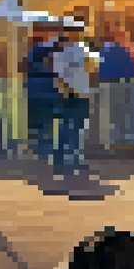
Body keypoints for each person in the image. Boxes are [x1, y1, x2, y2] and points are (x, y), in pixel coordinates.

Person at [50, 17, 101, 175]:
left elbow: (93, 69)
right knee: (68, 126)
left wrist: (91, 88)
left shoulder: (85, 50)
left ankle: (73, 157)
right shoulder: (63, 53)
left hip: (82, 92)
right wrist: (66, 90)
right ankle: (63, 158)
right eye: (72, 30)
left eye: (77, 31)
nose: (75, 34)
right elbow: (59, 76)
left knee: (77, 126)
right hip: (71, 93)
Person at [23, 20, 66, 164]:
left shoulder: (34, 52)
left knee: (41, 124)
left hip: (35, 92)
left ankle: (42, 151)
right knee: (50, 122)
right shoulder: (51, 51)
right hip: (49, 92)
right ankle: (49, 152)